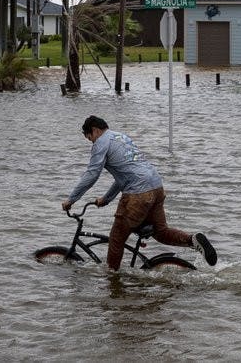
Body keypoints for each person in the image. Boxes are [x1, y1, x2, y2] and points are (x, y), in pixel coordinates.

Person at [61, 115, 217, 270]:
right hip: (156, 187)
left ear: (94, 131)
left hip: (138, 194)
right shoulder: (122, 137)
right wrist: (107, 199)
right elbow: (124, 177)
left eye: (90, 139)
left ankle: (112, 282)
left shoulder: (101, 142)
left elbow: (92, 174)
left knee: (116, 239)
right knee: (161, 232)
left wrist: (71, 200)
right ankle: (192, 240)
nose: (92, 143)